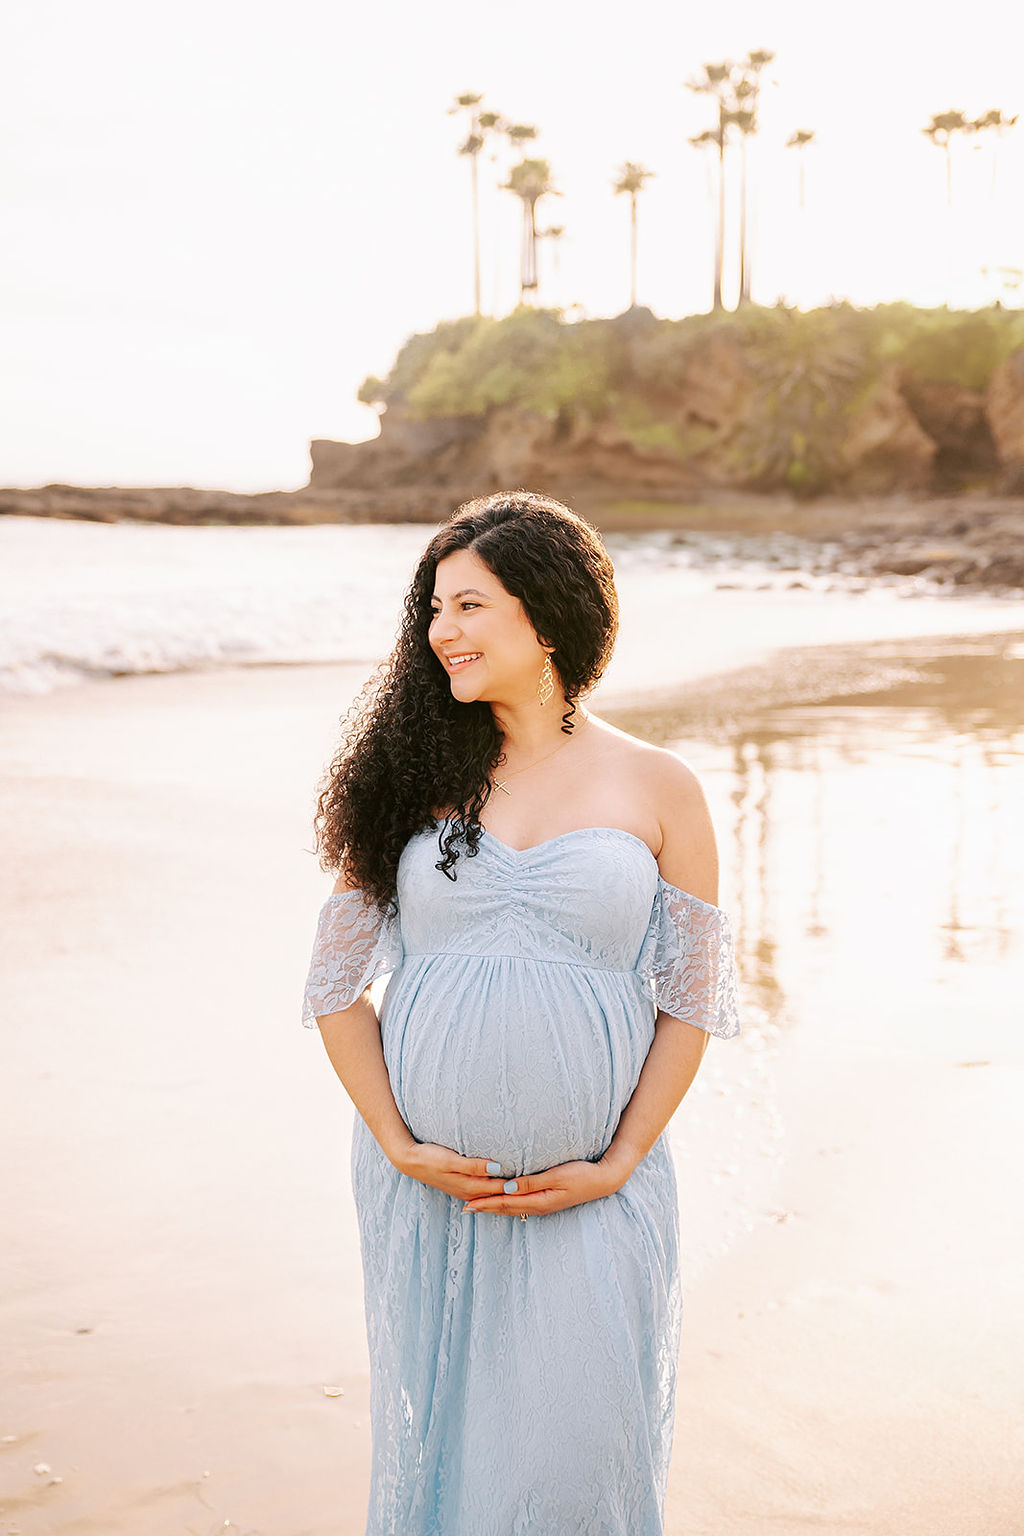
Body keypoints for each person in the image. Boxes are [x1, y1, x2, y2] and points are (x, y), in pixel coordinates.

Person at [302, 490, 740, 1536]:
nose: (439, 632)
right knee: (449, 1462)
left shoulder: (659, 785)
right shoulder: (406, 779)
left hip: (594, 1194)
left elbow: (691, 1000)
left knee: (578, 1473)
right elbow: (334, 988)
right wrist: (398, 1143)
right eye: (432, 611)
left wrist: (621, 1158)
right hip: (428, 1194)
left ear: (545, 617)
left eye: (467, 606)